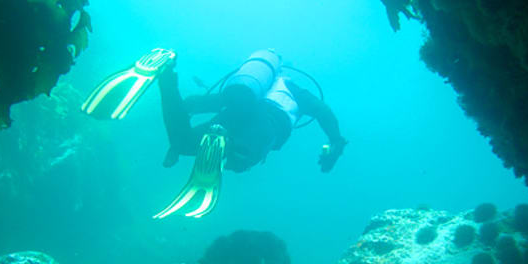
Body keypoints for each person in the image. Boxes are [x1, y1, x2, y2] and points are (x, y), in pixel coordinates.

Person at [82, 48, 347, 217]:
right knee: (240, 160)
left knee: (184, 141)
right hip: (268, 122)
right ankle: (227, 142)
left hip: (232, 109)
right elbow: (323, 111)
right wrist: (335, 142)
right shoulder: (293, 87)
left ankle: (166, 77)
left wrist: (178, 113)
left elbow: (198, 102)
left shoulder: (250, 85)